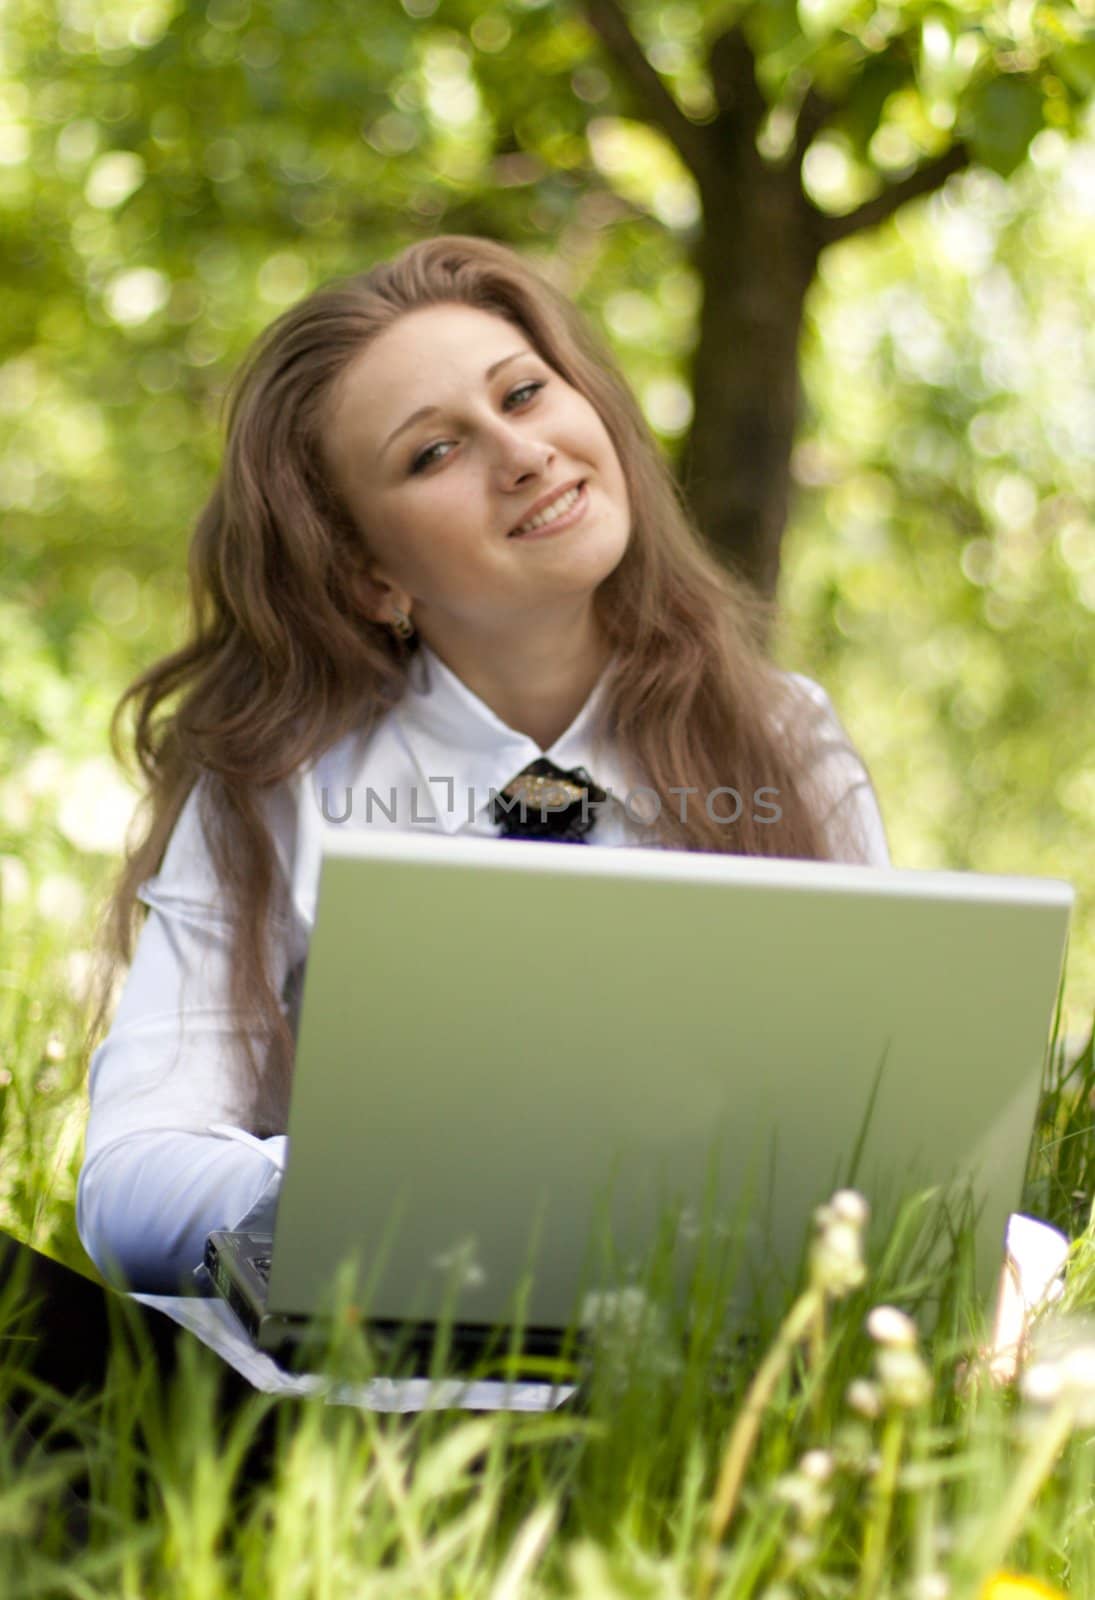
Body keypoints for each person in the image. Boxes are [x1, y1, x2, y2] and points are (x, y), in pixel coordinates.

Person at [9, 235, 891, 1408]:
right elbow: (127, 1176)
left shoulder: (784, 734)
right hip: (349, 1403)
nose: (522, 453)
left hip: (677, 1402)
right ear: (372, 574)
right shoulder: (274, 780)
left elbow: (887, 1134)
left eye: (524, 392)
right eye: (435, 452)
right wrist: (362, 1200)